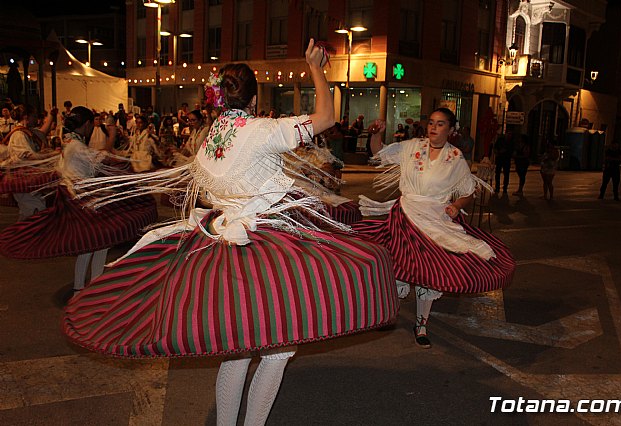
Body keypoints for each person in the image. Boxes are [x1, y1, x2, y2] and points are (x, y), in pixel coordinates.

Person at [63, 40, 398, 426]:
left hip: (223, 242)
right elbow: (326, 116)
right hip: (266, 247)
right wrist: (316, 68)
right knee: (275, 350)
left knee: (238, 347)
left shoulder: (213, 136)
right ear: (253, 101)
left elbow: (208, 190)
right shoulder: (262, 130)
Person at [354, 107, 515, 348]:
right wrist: (374, 134)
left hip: (435, 220)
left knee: (427, 275)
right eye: (431, 122)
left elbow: (467, 191)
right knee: (396, 266)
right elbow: (379, 153)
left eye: (440, 124)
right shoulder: (412, 147)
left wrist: (456, 205)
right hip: (405, 215)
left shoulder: (455, 157)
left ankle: (421, 325)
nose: (433, 127)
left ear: (451, 130)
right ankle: (389, 313)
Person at [0, 106, 157, 293]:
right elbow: (103, 158)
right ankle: (89, 288)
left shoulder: (70, 143)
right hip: (82, 200)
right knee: (99, 242)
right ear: (88, 124)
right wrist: (112, 136)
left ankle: (82, 288)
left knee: (92, 245)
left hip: (79, 199)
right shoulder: (76, 146)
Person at [1, 104, 59, 219]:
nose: (36, 119)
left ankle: (24, 235)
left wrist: (52, 115)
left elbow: (43, 132)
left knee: (32, 212)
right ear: (26, 117)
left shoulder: (28, 132)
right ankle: (21, 235)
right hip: (22, 180)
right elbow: (27, 156)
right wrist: (49, 156)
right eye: (34, 116)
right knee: (34, 212)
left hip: (28, 180)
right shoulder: (18, 134)